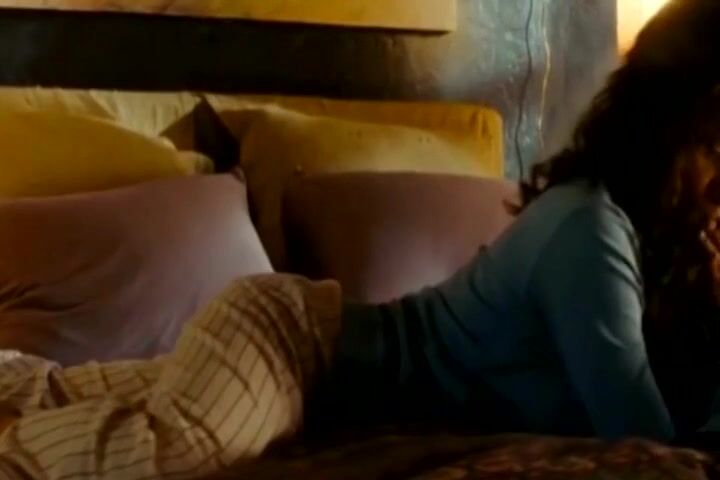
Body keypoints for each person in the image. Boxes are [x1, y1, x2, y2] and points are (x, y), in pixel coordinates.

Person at [0, 0, 719, 478]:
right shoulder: (587, 231)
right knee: (178, 452)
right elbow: (643, 433)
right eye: (714, 146)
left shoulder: (643, 241)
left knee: (78, 394)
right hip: (292, 346)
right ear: (672, 129)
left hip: (311, 369)